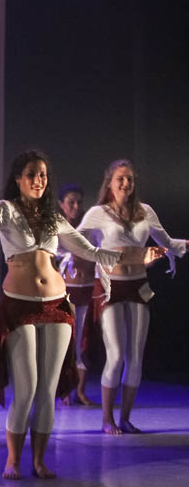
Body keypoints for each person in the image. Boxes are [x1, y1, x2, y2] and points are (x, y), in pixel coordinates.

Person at [0, 150, 163, 479]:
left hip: (57, 305)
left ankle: (39, 461)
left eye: (43, 174)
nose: (38, 180)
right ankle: (13, 460)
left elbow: (90, 251)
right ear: (18, 179)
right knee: (27, 388)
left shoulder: (53, 217)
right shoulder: (4, 210)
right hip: (19, 305)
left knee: (47, 390)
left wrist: (138, 259)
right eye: (32, 174)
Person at [77, 159, 185, 434]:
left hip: (139, 286)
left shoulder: (145, 212)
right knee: (115, 356)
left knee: (135, 357)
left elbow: (167, 243)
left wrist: (178, 247)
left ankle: (125, 418)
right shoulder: (98, 213)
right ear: (110, 183)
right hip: (109, 287)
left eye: (130, 180)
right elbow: (75, 241)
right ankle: (107, 420)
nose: (126, 184)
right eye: (120, 179)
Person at [55, 183, 97, 406]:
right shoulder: (56, 229)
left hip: (87, 289)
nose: (76, 206)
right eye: (71, 202)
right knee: (66, 341)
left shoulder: (88, 228)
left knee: (83, 341)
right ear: (61, 204)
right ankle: (65, 390)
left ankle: (80, 391)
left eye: (79, 202)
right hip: (66, 291)